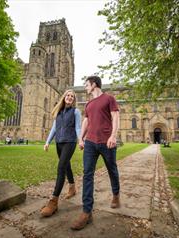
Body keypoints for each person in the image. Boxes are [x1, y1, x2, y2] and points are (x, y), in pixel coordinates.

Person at [71, 76, 121, 230]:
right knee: (87, 174)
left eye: (86, 84)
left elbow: (115, 117)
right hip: (91, 143)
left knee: (112, 169)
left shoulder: (109, 98)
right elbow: (86, 121)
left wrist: (113, 136)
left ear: (94, 85)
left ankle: (116, 195)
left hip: (107, 141)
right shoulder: (89, 103)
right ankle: (87, 211)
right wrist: (81, 138)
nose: (85, 87)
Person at [40, 89, 81, 217]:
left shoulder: (76, 111)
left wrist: (80, 140)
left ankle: (53, 201)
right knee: (66, 164)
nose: (69, 97)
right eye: (68, 95)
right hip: (59, 142)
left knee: (61, 167)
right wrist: (47, 142)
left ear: (74, 100)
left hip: (70, 142)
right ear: (64, 97)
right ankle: (72, 187)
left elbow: (78, 127)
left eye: (72, 96)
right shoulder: (58, 112)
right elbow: (54, 128)